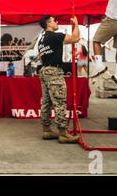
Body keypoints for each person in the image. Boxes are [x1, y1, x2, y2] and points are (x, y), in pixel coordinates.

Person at [38, 15, 80, 143]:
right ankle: (63, 133)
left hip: (44, 70)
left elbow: (40, 57)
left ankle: (46, 130)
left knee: (46, 102)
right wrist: (76, 25)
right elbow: (75, 38)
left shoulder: (42, 39)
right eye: (54, 21)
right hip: (54, 71)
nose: (57, 23)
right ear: (48, 23)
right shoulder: (54, 36)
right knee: (59, 101)